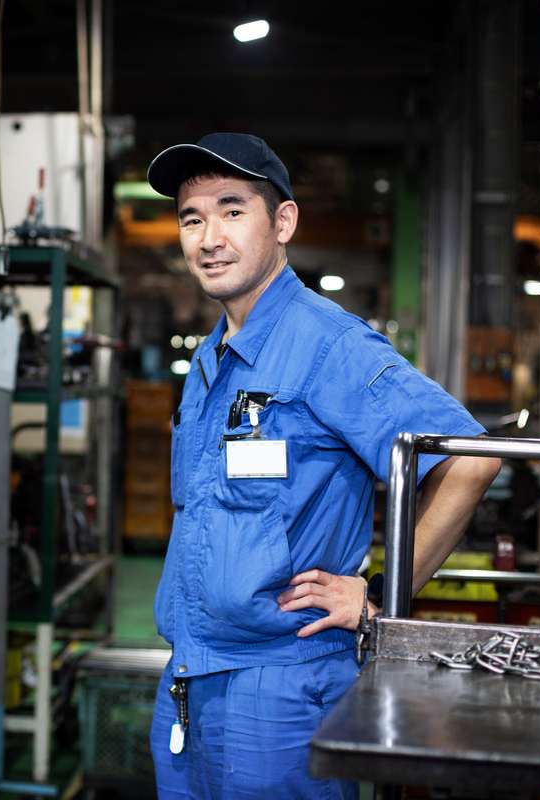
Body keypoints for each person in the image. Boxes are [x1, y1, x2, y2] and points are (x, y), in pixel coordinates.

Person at [144, 133, 501, 798]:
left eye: (231, 210)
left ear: (282, 222)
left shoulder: (328, 345)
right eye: (192, 218)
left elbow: (469, 458)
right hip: (192, 678)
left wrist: (380, 595)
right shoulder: (211, 359)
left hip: (279, 690)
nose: (209, 237)